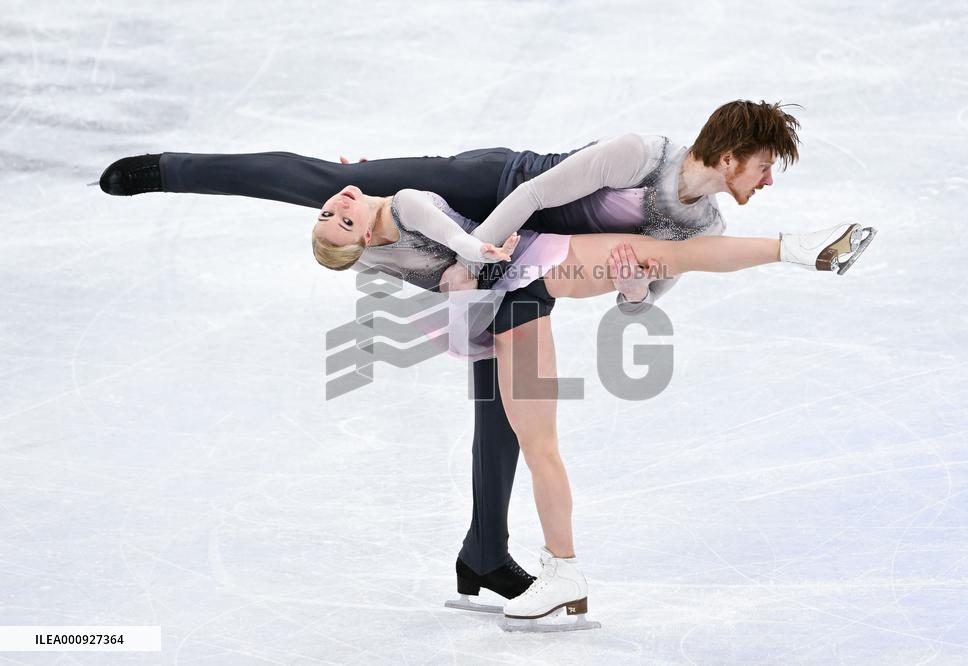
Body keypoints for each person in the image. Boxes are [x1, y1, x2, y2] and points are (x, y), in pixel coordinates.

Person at [98, 100, 813, 611]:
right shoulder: (639, 154)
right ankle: (170, 168)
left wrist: (627, 290)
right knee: (329, 180)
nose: (769, 180)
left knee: (501, 408)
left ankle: (485, 555)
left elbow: (645, 299)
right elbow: (533, 192)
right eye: (766, 166)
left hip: (525, 259)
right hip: (492, 192)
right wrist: (477, 262)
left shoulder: (703, 222)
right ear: (729, 156)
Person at [309, 181, 876, 625]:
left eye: (328, 213)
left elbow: (456, 240)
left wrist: (625, 289)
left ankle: (797, 249)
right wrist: (464, 272)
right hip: (511, 304)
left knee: (663, 256)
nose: (335, 209)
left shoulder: (404, 202)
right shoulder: (375, 251)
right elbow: (449, 266)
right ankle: (566, 573)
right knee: (539, 447)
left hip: (537, 263)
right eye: (339, 220)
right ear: (361, 244)